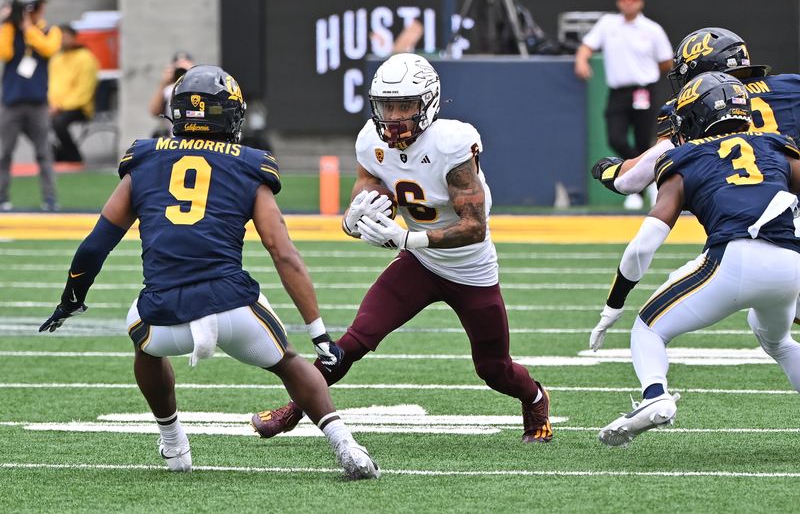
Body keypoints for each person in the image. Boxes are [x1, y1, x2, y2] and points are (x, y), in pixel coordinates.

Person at [38, 65, 379, 479]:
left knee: (144, 346)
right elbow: (282, 252)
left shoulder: (145, 158)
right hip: (233, 311)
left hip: (164, 318)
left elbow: (96, 243)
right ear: (229, 115)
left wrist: (71, 299)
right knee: (289, 362)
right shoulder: (250, 164)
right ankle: (347, 446)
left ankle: (173, 443)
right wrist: (319, 331)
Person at [251, 53, 553, 444]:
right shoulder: (370, 140)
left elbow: (475, 228)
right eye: (387, 106)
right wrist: (355, 215)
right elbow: (369, 184)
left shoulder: (451, 144)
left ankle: (535, 397)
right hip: (420, 263)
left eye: (404, 106)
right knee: (354, 340)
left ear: (428, 103)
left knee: (493, 369)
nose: (393, 117)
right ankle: (294, 410)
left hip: (469, 269)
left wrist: (409, 238)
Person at [589, 72, 800, 447]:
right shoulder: (775, 144)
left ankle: (655, 396)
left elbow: (643, 245)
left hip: (733, 259)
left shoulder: (683, 157)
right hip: (789, 265)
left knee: (648, 329)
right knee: (779, 341)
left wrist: (614, 303)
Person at [592, 27, 797, 199]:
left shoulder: (693, 103)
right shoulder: (791, 86)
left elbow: (637, 176)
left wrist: (612, 171)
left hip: (739, 207)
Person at [574, 0, 673, 210]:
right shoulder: (608, 25)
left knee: (642, 138)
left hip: (643, 91)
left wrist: (646, 72)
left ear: (641, 2)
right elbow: (587, 46)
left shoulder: (651, 29)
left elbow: (666, 60)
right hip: (618, 91)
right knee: (615, 138)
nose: (629, 2)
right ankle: (647, 175)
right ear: (619, 1)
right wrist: (581, 60)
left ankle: (637, 188)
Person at [0, 0, 61, 211]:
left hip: (37, 104)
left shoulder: (48, 31)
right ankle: (2, 197)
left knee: (43, 152)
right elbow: (4, 52)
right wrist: (7, 23)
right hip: (11, 103)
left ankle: (50, 199)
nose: (40, 10)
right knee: (4, 153)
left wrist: (28, 28)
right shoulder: (9, 30)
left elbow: (49, 49)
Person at [48, 24, 99, 163]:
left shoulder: (85, 57)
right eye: (59, 37)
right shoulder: (55, 59)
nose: (62, 40)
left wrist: (60, 107)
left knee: (59, 123)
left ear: (74, 38)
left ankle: (74, 157)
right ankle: (58, 153)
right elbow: (52, 86)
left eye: (65, 36)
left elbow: (84, 91)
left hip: (79, 107)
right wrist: (52, 105)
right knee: (32, 121)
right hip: (57, 107)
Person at [148, 51, 194, 137]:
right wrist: (164, 82)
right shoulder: (169, 89)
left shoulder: (198, 86)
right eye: (179, 69)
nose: (181, 72)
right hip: (173, 138)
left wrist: (193, 77)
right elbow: (154, 111)